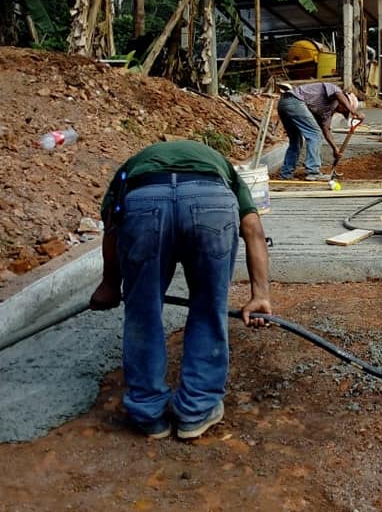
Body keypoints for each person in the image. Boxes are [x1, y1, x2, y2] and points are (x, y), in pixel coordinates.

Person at [89, 140, 273, 440]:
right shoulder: (222, 166)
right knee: (207, 309)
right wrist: (260, 295)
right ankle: (196, 411)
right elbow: (253, 228)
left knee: (143, 311)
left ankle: (148, 413)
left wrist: (110, 284)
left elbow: (113, 224)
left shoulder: (132, 166)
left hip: (144, 202)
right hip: (210, 200)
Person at [276, 82, 365, 181]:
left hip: (284, 103)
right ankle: (313, 171)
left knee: (296, 140)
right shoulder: (335, 89)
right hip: (294, 101)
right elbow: (338, 94)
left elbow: (326, 130)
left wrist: (335, 148)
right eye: (344, 109)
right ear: (344, 102)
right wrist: (353, 111)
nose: (342, 111)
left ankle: (286, 174)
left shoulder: (328, 112)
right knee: (315, 134)